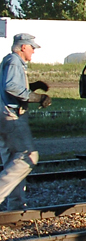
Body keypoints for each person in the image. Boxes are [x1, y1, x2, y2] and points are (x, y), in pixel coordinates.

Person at [0, 33, 49, 210]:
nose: (33, 52)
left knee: (12, 160)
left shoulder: (8, 61)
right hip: (11, 117)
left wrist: (31, 86)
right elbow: (10, 86)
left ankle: (15, 207)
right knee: (28, 157)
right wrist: (34, 97)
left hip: (3, 116)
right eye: (32, 48)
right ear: (23, 47)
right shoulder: (14, 61)